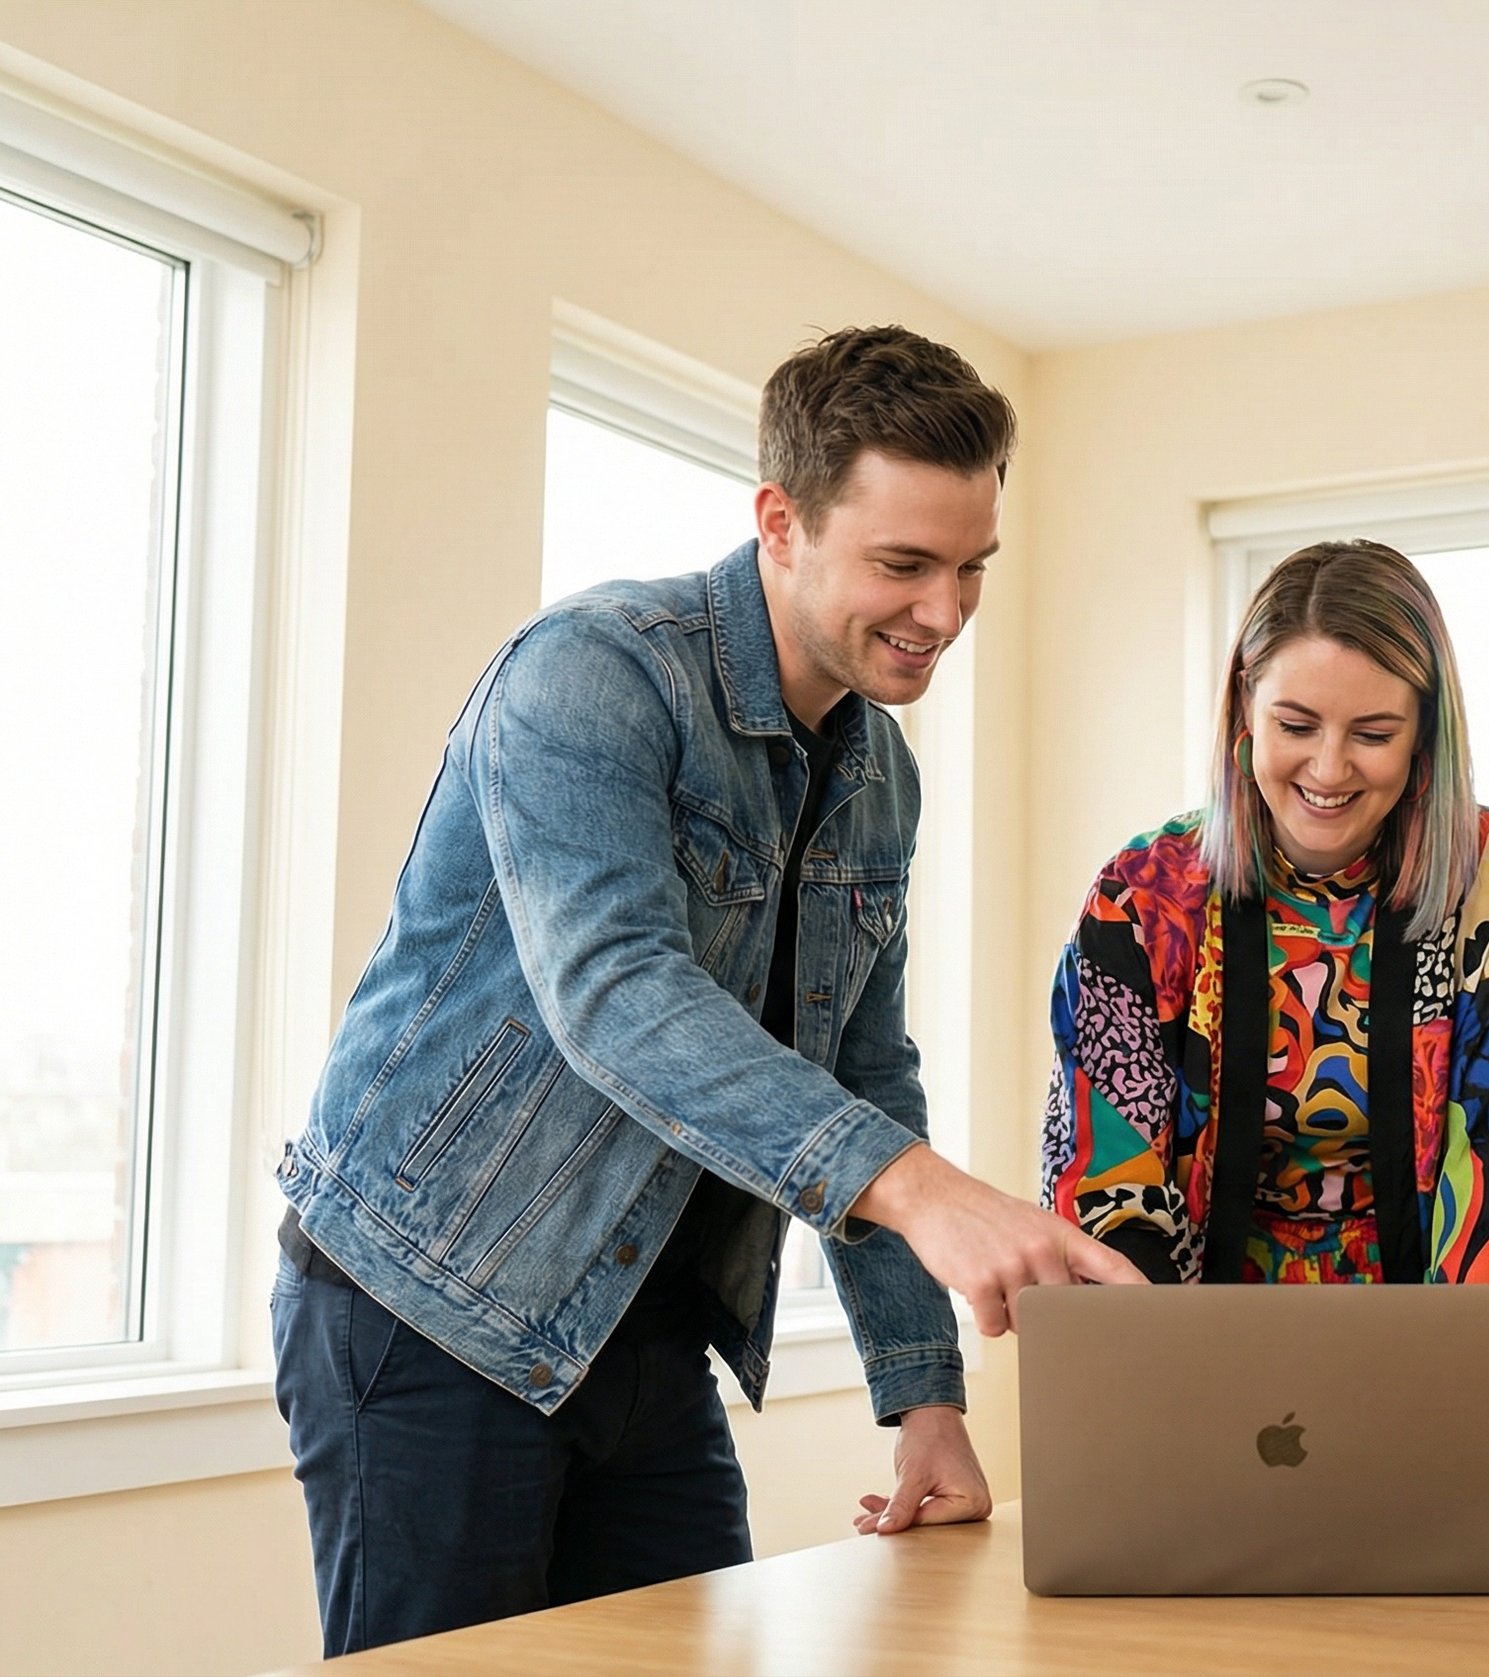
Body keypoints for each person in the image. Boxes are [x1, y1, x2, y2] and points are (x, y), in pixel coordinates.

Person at [272, 325, 1140, 1656]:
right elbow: (617, 993)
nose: (947, 611)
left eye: (972, 568)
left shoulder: (879, 776)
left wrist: (925, 1399)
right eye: (904, 564)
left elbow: (862, 1068)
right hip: (429, 1303)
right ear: (780, 522)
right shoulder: (593, 673)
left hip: (648, 1330)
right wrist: (926, 1191)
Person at [1041, 539, 1489, 1374]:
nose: (1329, 769)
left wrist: (1461, 1385)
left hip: (1425, 1356)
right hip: (1179, 1350)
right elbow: (1107, 1176)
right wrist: (1158, 1375)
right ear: (1244, 713)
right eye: (1296, 726)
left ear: (1424, 736)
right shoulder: (1144, 892)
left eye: (1373, 732)